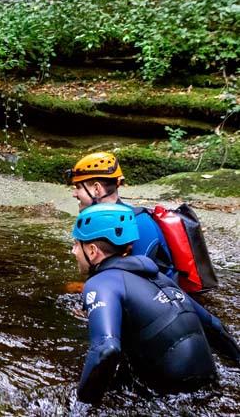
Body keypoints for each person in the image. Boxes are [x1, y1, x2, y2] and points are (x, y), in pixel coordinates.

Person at [71, 203, 240, 404]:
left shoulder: (101, 283)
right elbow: (215, 327)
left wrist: (82, 406)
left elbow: (106, 349)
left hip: (170, 397)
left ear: (92, 251)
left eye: (76, 244)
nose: (73, 251)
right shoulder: (160, 277)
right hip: (211, 386)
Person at [65, 152, 174, 276]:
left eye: (78, 187)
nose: (74, 194)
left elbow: (136, 280)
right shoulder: (100, 221)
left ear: (97, 189)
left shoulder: (139, 224)